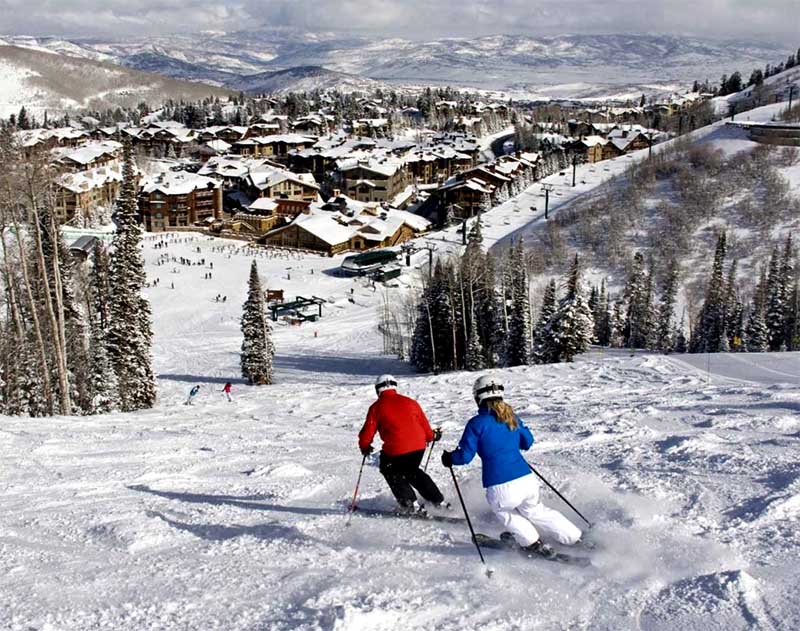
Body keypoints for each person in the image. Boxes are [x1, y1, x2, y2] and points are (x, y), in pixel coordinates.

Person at [441, 374, 582, 558]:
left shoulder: (476, 423)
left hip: (500, 484)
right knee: (535, 510)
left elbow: (464, 456)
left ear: (478, 397)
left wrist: (449, 458)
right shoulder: (511, 416)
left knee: (505, 512)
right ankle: (573, 537)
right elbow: (528, 442)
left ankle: (531, 543)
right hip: (526, 479)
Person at [359, 374, 445, 514]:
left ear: (377, 390)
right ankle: (438, 501)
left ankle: (409, 503)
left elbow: (367, 432)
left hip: (397, 448)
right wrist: (432, 436)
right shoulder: (411, 402)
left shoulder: (376, 407)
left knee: (389, 469)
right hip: (418, 446)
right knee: (411, 471)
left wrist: (365, 446)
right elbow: (424, 425)